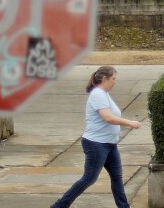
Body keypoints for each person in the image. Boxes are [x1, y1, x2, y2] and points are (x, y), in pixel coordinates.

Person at [51, 66, 141, 208]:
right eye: (113, 79)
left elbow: (111, 117)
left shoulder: (104, 94)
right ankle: (59, 206)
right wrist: (129, 123)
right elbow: (108, 117)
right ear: (104, 79)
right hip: (96, 144)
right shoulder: (97, 94)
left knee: (117, 178)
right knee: (89, 178)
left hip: (110, 144)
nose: (115, 82)